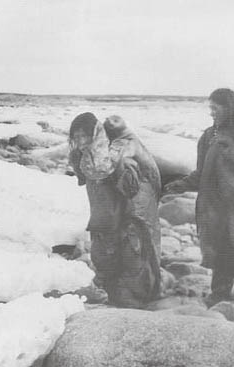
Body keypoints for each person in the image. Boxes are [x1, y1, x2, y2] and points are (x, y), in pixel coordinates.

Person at [165, 89, 234, 325]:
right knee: (220, 246)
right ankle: (220, 294)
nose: (211, 113)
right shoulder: (208, 135)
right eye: (210, 108)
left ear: (229, 107)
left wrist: (227, 145)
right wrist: (178, 185)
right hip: (218, 202)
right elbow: (202, 172)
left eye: (216, 108)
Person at [69, 112, 161, 308]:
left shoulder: (119, 153)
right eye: (76, 137)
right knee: (104, 253)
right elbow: (88, 178)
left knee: (134, 252)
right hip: (105, 214)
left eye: (84, 136)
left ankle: (138, 296)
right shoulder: (83, 157)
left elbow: (133, 191)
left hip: (130, 212)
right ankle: (114, 293)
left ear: (95, 134)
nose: (80, 141)